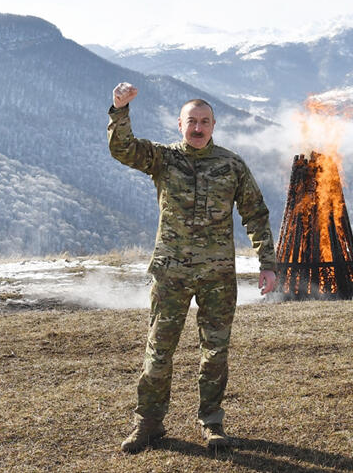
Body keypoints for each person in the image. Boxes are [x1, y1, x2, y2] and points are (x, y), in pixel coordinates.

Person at [107, 82, 277, 452]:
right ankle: (148, 424)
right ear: (179, 124)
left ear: (213, 126)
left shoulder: (231, 165)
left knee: (215, 352)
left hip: (217, 276)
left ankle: (212, 423)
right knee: (158, 350)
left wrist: (267, 263)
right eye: (191, 121)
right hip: (171, 273)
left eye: (205, 121)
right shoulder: (163, 159)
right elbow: (123, 149)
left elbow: (256, 214)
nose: (198, 128)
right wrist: (120, 109)